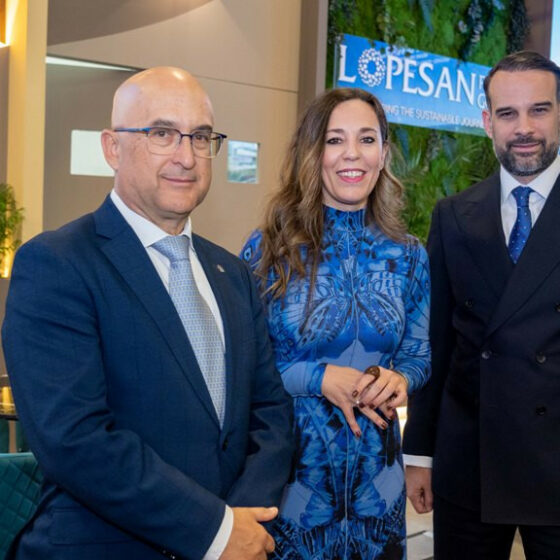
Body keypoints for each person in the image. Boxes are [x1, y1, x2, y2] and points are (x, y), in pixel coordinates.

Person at [2, 67, 294, 560]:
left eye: (200, 136)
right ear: (112, 148)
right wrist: (216, 531)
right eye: (162, 133)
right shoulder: (57, 264)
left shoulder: (233, 274)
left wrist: (242, 523)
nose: (186, 156)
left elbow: (271, 413)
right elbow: (76, 439)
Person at [240, 87, 431, 559]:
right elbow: (242, 368)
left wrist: (400, 378)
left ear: (383, 154)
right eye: (334, 139)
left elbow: (418, 353)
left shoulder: (408, 254)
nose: (352, 154)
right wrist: (318, 378)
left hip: (378, 494)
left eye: (366, 139)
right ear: (312, 152)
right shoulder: (269, 249)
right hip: (291, 493)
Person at [403, 51, 560, 560]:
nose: (524, 128)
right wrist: (419, 452)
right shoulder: (452, 216)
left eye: (539, 110)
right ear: (488, 122)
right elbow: (436, 343)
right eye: (508, 114)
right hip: (470, 462)